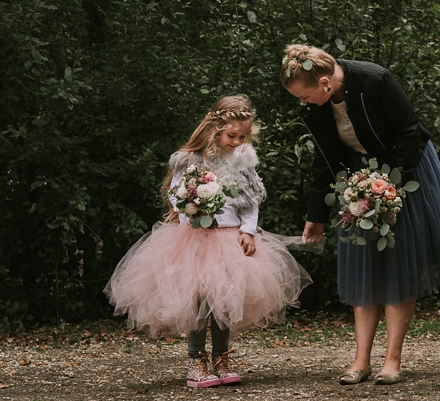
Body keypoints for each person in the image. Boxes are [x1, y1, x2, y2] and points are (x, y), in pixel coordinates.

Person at [106, 95, 312, 389]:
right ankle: (196, 361)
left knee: (225, 300)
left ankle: (221, 359)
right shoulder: (189, 160)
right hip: (194, 240)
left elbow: (251, 202)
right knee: (198, 299)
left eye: (243, 136)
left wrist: (248, 231)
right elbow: (177, 197)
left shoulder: (243, 162)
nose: (237, 141)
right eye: (231, 135)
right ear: (214, 129)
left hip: (230, 240)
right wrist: (192, 210)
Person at [282, 45, 440, 386]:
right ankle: (360, 359)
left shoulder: (374, 79)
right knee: (362, 262)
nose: (303, 103)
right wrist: (316, 214)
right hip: (358, 180)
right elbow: (325, 157)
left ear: (324, 83)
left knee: (398, 261)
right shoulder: (317, 107)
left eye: (305, 96)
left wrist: (393, 187)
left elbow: (409, 131)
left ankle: (392, 359)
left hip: (406, 172)